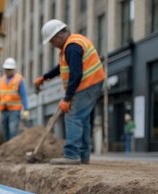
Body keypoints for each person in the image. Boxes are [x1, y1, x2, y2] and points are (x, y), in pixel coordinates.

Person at [34, 19, 106, 165]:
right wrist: (45, 77)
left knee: (72, 116)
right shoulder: (72, 44)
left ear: (58, 37)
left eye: (51, 42)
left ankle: (72, 155)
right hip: (92, 83)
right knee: (83, 119)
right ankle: (84, 155)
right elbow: (61, 67)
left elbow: (76, 74)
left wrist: (67, 99)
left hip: (87, 84)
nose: (52, 45)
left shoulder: (72, 47)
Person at [0, 57, 30, 141]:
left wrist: (26, 109)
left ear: (13, 69)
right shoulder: (0, 81)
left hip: (14, 111)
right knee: (5, 134)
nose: (8, 71)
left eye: (10, 69)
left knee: (13, 132)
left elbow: (24, 95)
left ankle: (13, 151)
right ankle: (7, 151)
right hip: (3, 110)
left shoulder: (19, 79)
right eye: (7, 69)